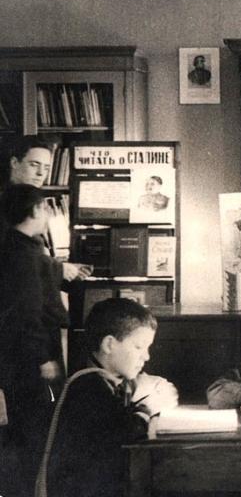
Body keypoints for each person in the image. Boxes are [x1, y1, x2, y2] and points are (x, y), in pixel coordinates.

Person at [41, 297, 179, 497]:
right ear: (109, 344)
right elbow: (127, 431)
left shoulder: (103, 379)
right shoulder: (88, 387)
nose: (147, 356)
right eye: (139, 347)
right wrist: (149, 406)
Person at [0, 185, 69, 497]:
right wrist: (43, 358)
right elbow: (26, 313)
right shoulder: (24, 256)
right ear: (37, 210)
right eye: (46, 210)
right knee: (38, 433)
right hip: (30, 362)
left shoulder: (16, 249)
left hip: (19, 359)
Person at [3, 135, 91, 282]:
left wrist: (61, 267)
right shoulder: (7, 201)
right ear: (14, 162)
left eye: (46, 167)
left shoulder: (31, 200)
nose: (41, 173)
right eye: (34, 164)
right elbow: (11, 258)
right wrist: (57, 269)